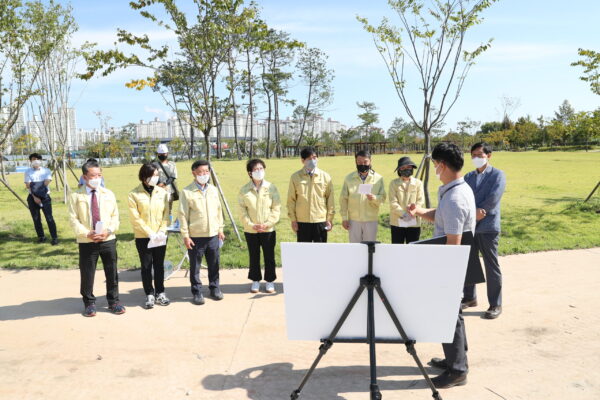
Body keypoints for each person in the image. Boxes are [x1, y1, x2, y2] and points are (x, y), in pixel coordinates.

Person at [407, 142, 476, 389]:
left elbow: (453, 241)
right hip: (450, 262)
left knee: (448, 315)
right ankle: (455, 359)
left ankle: (458, 370)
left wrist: (444, 279)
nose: (435, 168)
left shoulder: (456, 198)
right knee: (453, 315)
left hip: (449, 264)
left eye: (435, 164)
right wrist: (421, 212)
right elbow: (441, 215)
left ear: (442, 165)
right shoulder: (455, 190)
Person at [68, 159, 124, 317]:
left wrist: (108, 231)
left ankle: (113, 301)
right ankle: (89, 303)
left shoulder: (109, 194)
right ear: (84, 177)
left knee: (112, 271)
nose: (96, 178)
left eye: (99, 175)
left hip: (107, 239)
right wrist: (87, 233)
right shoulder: (75, 196)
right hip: (87, 241)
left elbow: (115, 216)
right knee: (87, 273)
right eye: (93, 176)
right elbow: (73, 219)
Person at [461, 142, 507, 319]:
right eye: (473, 155)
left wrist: (480, 212)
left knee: (491, 265)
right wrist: (472, 213)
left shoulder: (498, 175)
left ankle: (495, 304)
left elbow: (493, 199)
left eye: (480, 155)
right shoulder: (468, 176)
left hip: (488, 227)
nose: (476, 158)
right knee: (469, 263)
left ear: (489, 155)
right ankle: (470, 297)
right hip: (470, 226)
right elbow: (463, 197)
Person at [179, 160, 225, 305]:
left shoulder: (213, 190)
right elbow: (182, 215)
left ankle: (214, 288)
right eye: (201, 172)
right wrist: (186, 236)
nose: (204, 174)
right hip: (196, 237)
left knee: (214, 264)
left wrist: (220, 229)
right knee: (195, 266)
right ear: (194, 173)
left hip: (213, 235)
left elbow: (219, 211)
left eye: (206, 171)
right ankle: (197, 292)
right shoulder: (187, 192)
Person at [128, 163, 171, 309]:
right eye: (153, 175)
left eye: (157, 175)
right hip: (143, 237)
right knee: (146, 266)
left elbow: (166, 214)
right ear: (144, 176)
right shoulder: (134, 194)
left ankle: (160, 292)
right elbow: (135, 218)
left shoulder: (163, 192)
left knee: (159, 265)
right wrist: (149, 233)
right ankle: (149, 294)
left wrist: (161, 231)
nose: (156, 178)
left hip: (160, 236)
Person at [238, 159, 281, 294]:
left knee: (269, 256)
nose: (259, 171)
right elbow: (242, 211)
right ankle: (255, 280)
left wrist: (267, 224)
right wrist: (251, 225)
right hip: (251, 230)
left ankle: (270, 281)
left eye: (261, 168)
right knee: (254, 255)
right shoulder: (244, 190)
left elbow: (276, 208)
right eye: (256, 169)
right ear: (250, 173)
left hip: (268, 229)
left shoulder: (271, 188)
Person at [287, 147, 335, 242]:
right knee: (304, 253)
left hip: (320, 220)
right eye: (309, 159)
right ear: (302, 161)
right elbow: (291, 200)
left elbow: (330, 199)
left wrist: (329, 219)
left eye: (314, 157)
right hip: (302, 221)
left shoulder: (325, 176)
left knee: (320, 252)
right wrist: (293, 220)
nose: (313, 160)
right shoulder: (295, 177)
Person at [339, 150, 386, 242]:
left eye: (365, 162)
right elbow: (343, 199)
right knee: (355, 248)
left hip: (371, 220)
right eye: (359, 162)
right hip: (354, 221)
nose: (362, 164)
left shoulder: (378, 178)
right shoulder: (349, 178)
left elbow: (383, 197)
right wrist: (344, 218)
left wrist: (375, 198)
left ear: (370, 161)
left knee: (369, 248)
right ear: (355, 162)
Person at [388, 156, 425, 243]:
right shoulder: (393, 184)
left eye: (409, 167)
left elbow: (420, 201)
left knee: (413, 250)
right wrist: (404, 214)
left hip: (414, 222)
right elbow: (393, 202)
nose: (406, 169)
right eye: (403, 167)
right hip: (397, 222)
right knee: (397, 249)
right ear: (399, 170)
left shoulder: (418, 183)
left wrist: (414, 211)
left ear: (412, 168)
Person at [24, 153, 58, 245]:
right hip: (32, 197)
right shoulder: (28, 171)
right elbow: (28, 185)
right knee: (36, 218)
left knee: (49, 218)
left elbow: (47, 182)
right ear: (30, 161)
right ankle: (41, 237)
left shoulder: (46, 170)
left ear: (40, 160)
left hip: (45, 197)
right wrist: (35, 196)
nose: (35, 160)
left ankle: (54, 238)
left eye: (37, 159)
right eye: (33, 159)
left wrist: (34, 185)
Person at [154, 144, 178, 220]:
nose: (162, 155)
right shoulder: (154, 165)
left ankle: (169, 226)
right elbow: (152, 176)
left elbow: (173, 177)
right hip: (156, 190)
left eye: (163, 154)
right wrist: (159, 184)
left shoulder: (172, 164)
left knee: (169, 209)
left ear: (167, 154)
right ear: (157, 154)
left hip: (169, 190)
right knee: (158, 209)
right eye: (160, 154)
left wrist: (164, 184)